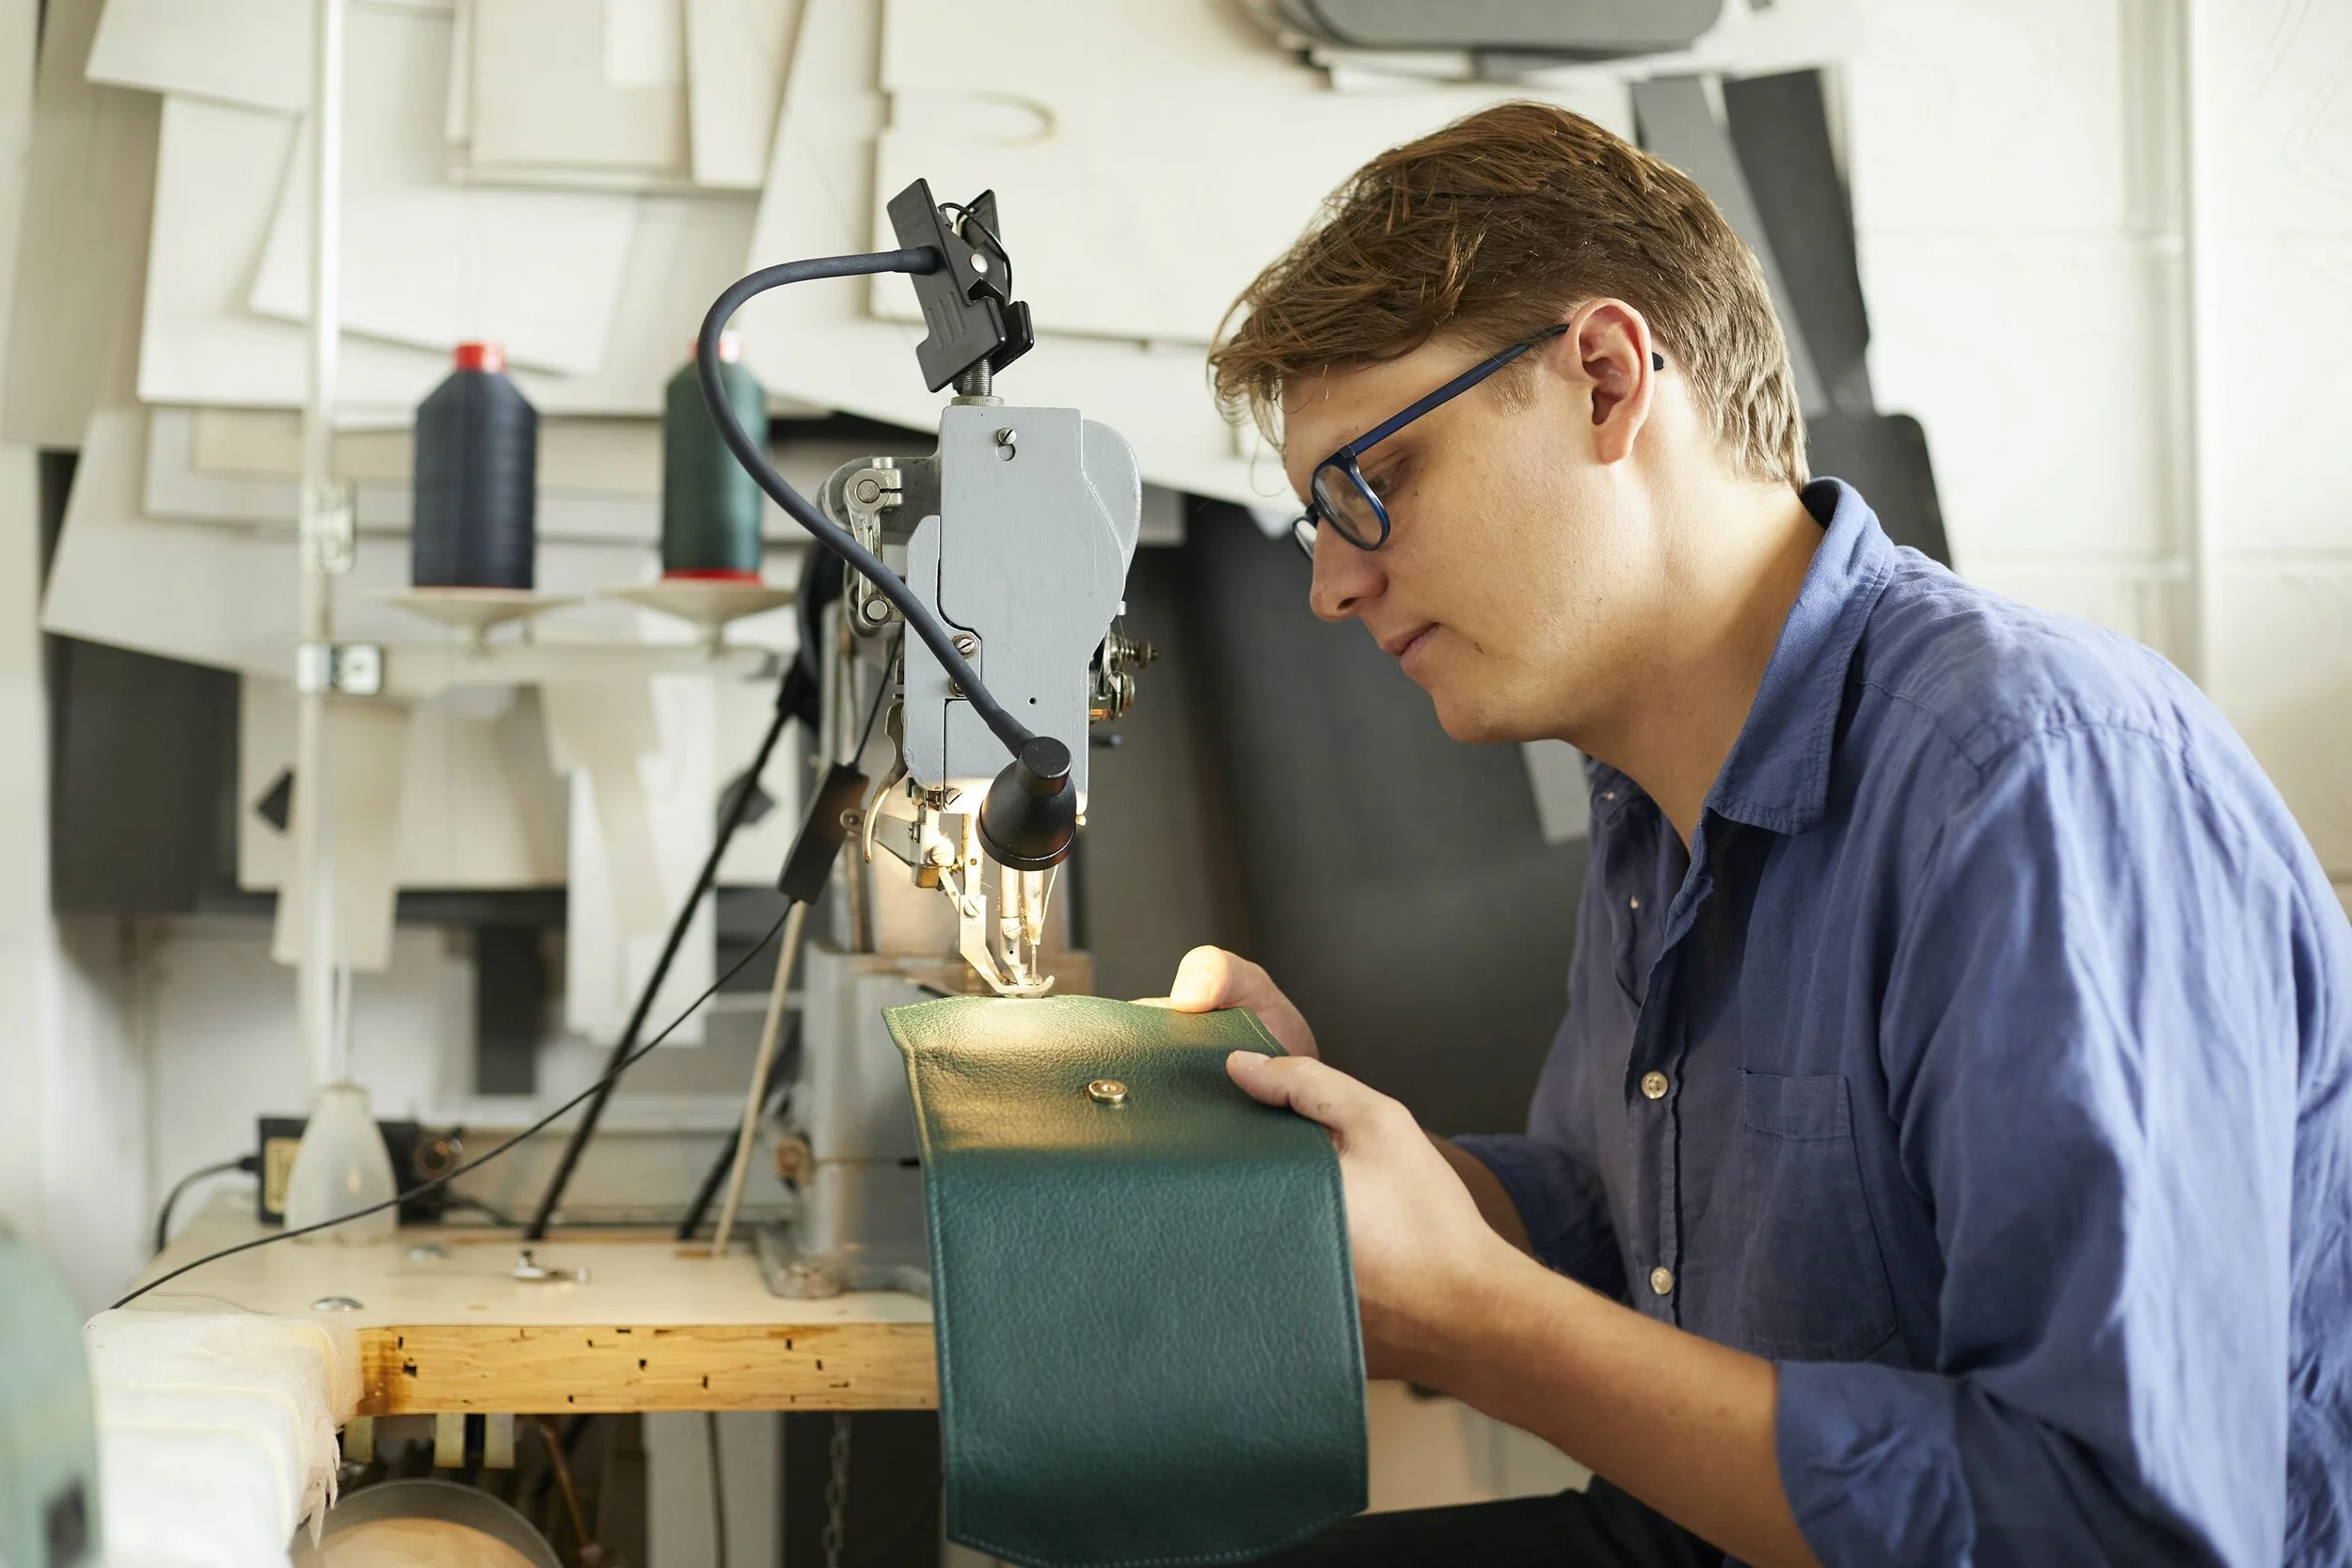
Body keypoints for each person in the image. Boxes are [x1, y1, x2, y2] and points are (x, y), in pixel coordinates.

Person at [1160, 101, 2352, 1567]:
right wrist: (1324, 1171)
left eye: (1372, 483)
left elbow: (2113, 1526)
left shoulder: (2032, 779)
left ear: (1606, 381)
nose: (1331, 587)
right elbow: (1618, 1230)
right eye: (1318, 521)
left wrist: (1474, 1318)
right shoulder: (1653, 803)